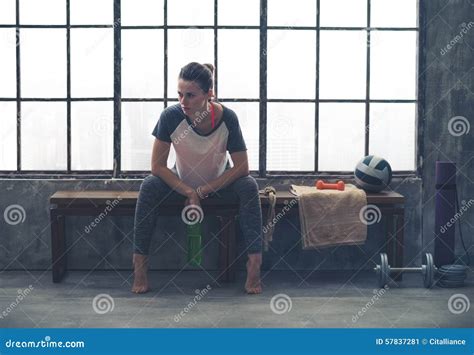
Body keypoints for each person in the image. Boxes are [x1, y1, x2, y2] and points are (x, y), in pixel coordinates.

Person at [132, 62, 263, 294]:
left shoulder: (228, 118)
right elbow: (157, 167)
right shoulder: (171, 117)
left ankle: (254, 267)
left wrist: (202, 191)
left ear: (209, 94)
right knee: (149, 185)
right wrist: (189, 192)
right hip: (181, 185)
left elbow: (242, 167)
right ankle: (140, 269)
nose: (183, 102)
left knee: (249, 186)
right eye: (180, 95)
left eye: (190, 96)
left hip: (219, 186)